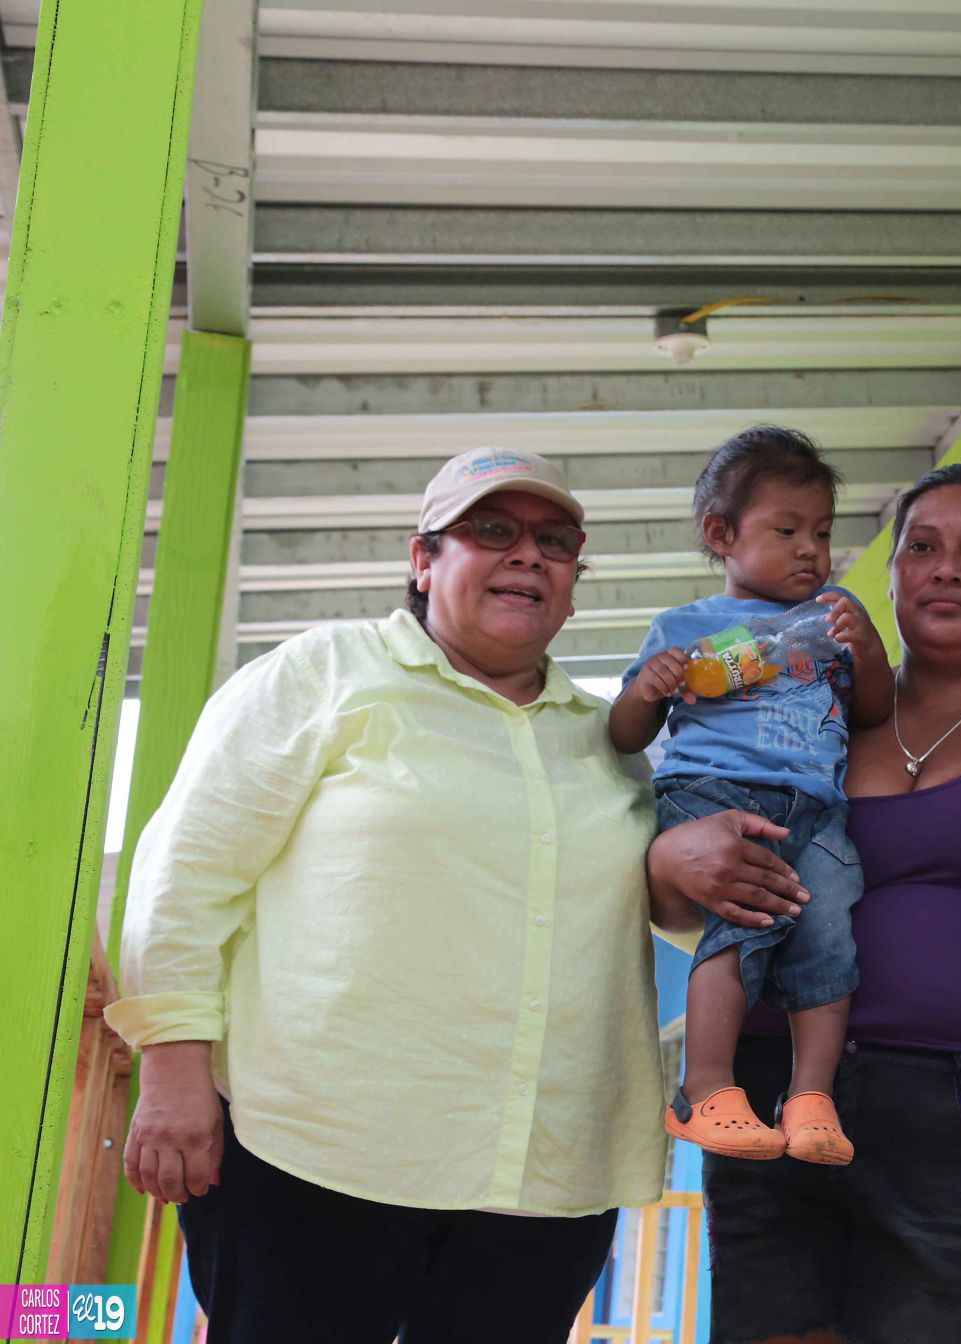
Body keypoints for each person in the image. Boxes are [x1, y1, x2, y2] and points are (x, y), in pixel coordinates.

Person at [109, 449, 674, 1344]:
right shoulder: (324, 674)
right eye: (493, 529)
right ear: (423, 559)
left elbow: (665, 907)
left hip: (545, 1178)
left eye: (556, 541)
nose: (528, 554)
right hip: (317, 1155)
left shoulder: (606, 740)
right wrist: (174, 1072)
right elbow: (185, 872)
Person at [643, 463, 961, 1344]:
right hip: (778, 1093)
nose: (946, 570)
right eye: (921, 548)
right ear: (888, 577)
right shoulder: (804, 713)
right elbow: (685, 894)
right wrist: (670, 856)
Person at [610, 426, 892, 1166]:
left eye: (823, 533)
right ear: (721, 535)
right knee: (743, 925)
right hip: (714, 797)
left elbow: (874, 713)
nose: (811, 551)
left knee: (829, 931)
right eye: (787, 531)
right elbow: (624, 734)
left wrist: (868, 650)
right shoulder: (684, 627)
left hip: (816, 807)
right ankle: (704, 1089)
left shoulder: (832, 615)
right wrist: (647, 689)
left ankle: (811, 1097)